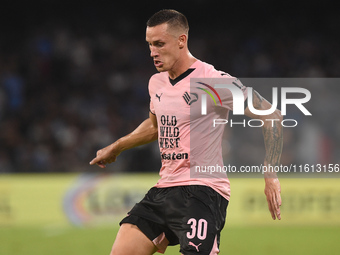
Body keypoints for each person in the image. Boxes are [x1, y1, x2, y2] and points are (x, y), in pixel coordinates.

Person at [90, 9, 282, 255]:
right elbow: (155, 126)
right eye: (149, 45)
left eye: (159, 44)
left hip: (203, 191)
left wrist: (270, 171)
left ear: (182, 40)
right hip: (164, 189)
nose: (153, 52)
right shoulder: (156, 82)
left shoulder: (214, 81)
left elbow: (272, 115)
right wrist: (117, 146)